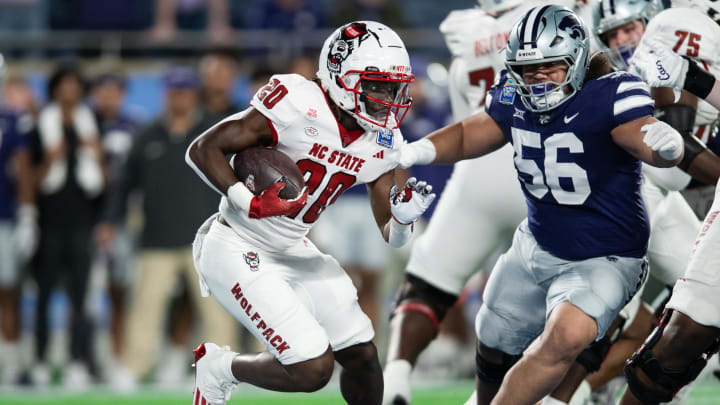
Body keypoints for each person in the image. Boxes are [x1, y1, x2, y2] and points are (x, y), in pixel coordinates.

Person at [397, 5, 685, 405]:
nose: (538, 78)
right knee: (494, 336)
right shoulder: (513, 92)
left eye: (551, 66)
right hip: (535, 245)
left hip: (606, 256)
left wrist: (664, 147)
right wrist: (421, 150)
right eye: (528, 69)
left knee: (567, 336)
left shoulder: (611, 93)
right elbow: (468, 134)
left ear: (579, 60)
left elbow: (643, 135)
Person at [186, 21, 435, 405]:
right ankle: (220, 367)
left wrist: (403, 220)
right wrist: (247, 200)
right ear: (340, 77)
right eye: (377, 85)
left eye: (393, 86)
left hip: (295, 248)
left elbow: (392, 231)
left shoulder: (385, 140)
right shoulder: (298, 102)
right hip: (238, 244)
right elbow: (203, 149)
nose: (389, 98)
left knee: (363, 357)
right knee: (312, 369)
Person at [382, 1, 553, 403]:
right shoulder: (547, 19)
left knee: (427, 280)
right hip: (538, 167)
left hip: (476, 172)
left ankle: (396, 375)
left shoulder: (466, 33)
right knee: (573, 295)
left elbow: (465, 115)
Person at [96, 66, 237, 390]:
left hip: (207, 239)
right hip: (157, 238)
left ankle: (224, 372)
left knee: (217, 312)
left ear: (194, 95)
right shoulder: (147, 134)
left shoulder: (213, 135)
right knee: (145, 308)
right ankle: (133, 367)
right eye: (174, 92)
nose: (180, 98)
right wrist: (109, 221)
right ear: (165, 94)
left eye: (185, 92)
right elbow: (125, 184)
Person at [30, 63, 105, 389]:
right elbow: (27, 179)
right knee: (44, 296)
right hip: (49, 223)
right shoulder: (39, 126)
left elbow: (105, 180)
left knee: (80, 297)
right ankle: (41, 361)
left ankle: (79, 361)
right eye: (63, 84)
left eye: (74, 84)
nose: (68, 90)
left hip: (82, 223)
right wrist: (51, 159)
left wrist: (98, 155)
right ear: (54, 89)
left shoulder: (91, 125)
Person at [0, 56, 37, 386]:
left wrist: (27, 215)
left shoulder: (10, 119)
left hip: (3, 217)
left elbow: (23, 167)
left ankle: (10, 364)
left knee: (6, 291)